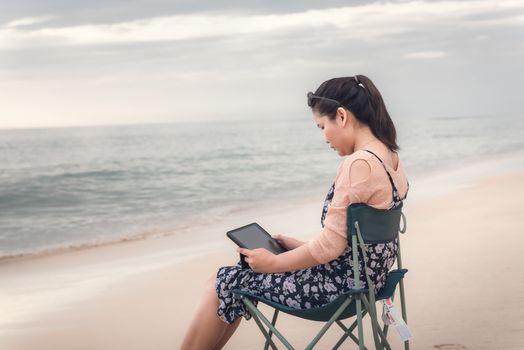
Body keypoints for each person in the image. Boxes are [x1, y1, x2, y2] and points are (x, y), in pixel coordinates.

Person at [180, 75, 409, 349]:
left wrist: (274, 263)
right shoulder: (389, 156)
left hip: (336, 292)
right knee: (230, 280)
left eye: (322, 126)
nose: (324, 137)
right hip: (369, 284)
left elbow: (330, 247)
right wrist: (297, 247)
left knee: (223, 281)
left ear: (341, 116)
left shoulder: (359, 163)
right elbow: (351, 243)